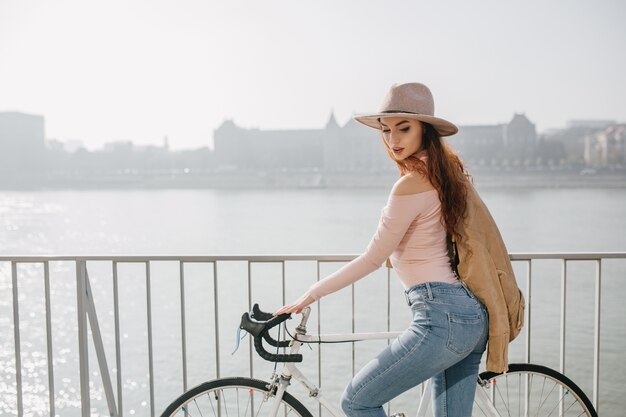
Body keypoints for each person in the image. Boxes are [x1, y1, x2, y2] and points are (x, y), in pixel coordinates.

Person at [274, 82, 489, 417]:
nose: (393, 140)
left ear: (425, 130)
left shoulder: (410, 184)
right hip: (470, 317)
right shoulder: (445, 175)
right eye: (387, 131)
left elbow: (373, 258)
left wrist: (310, 294)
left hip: (440, 317)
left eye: (404, 129)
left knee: (357, 401)